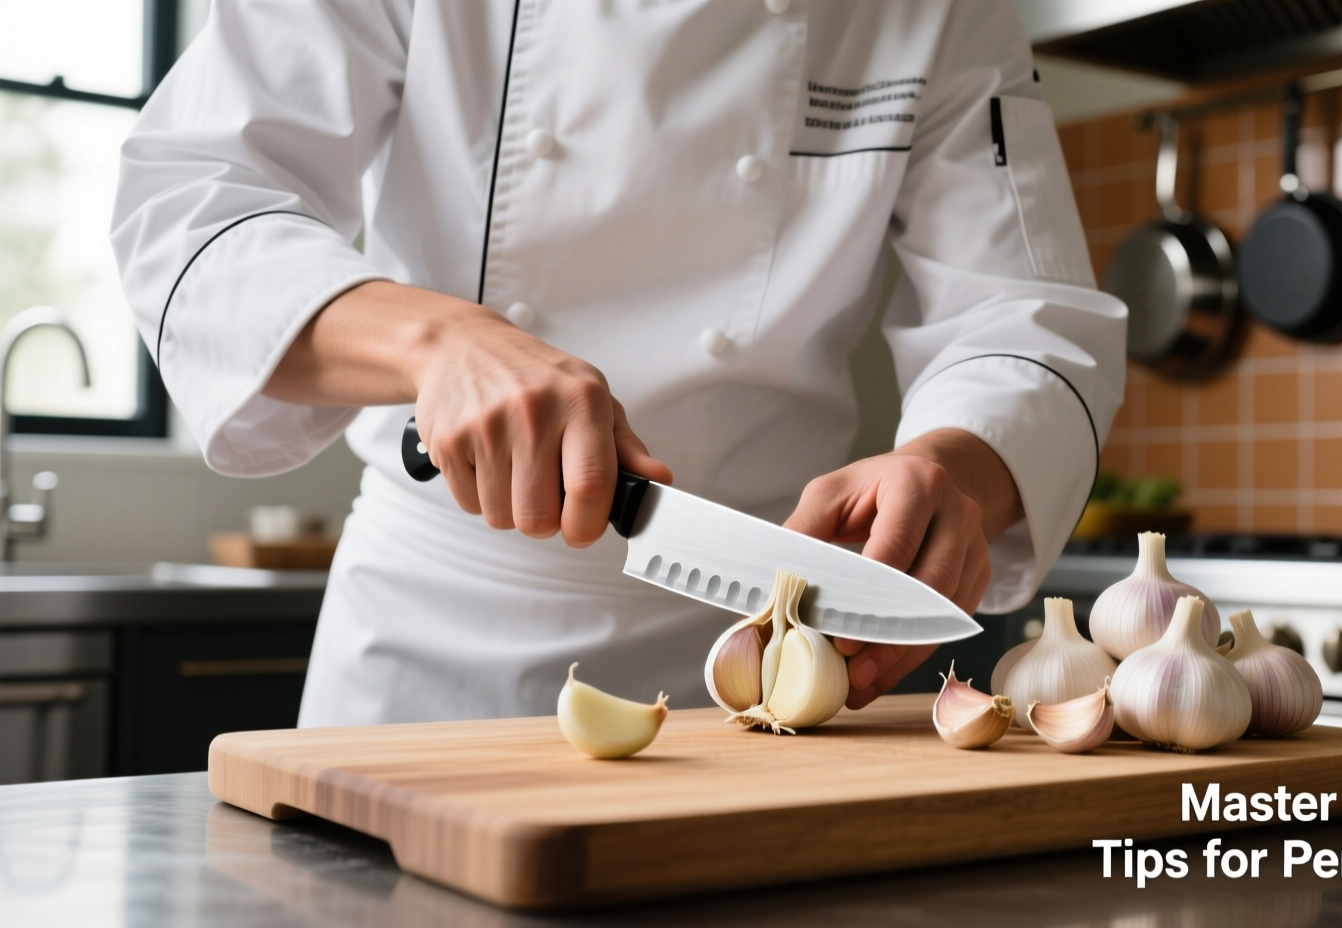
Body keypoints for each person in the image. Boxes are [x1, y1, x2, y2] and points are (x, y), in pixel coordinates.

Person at [111, 0, 1126, 726]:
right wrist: (437, 340)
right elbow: (192, 201)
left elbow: (1022, 309)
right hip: (429, 644)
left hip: (767, 643)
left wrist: (959, 463)